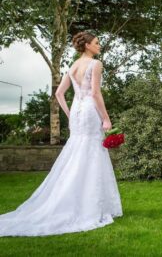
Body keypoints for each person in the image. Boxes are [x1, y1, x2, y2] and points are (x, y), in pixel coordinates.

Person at [0, 31, 123, 237]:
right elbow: (95, 93)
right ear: (87, 46)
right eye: (96, 42)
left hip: (76, 111)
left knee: (77, 153)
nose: (99, 45)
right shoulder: (96, 64)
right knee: (91, 153)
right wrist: (106, 118)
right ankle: (91, 206)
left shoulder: (73, 66)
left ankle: (71, 199)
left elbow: (58, 93)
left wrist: (69, 113)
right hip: (89, 110)